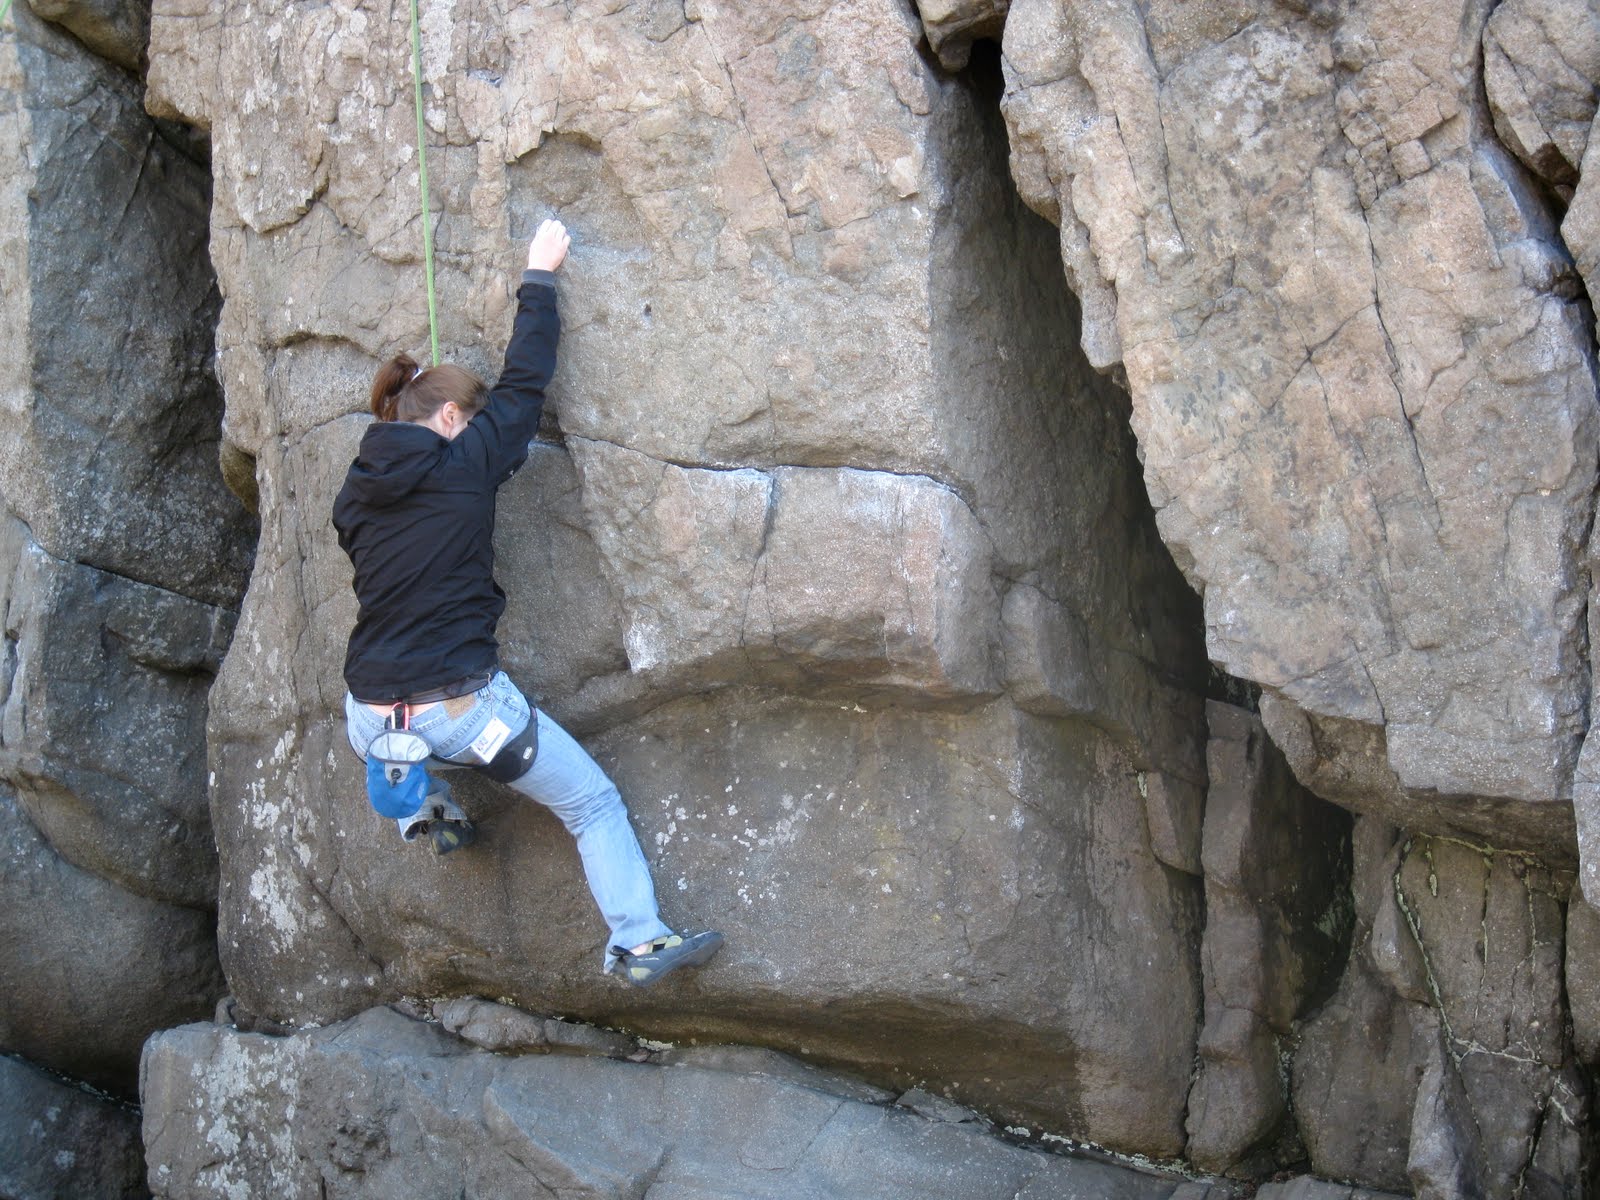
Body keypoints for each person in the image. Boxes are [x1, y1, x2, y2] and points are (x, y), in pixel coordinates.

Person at [333, 219, 721, 988]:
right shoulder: (466, 461)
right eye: (468, 423)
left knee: (399, 737)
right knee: (592, 805)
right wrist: (539, 274)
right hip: (467, 713)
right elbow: (525, 380)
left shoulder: (354, 493)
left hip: (368, 711)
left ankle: (416, 804)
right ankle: (638, 942)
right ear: (450, 420)